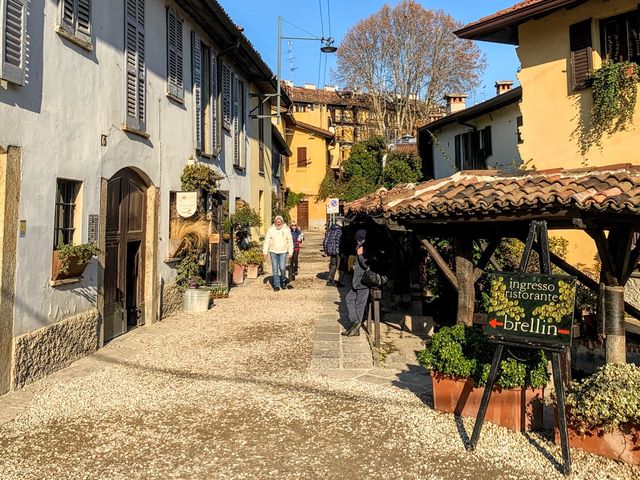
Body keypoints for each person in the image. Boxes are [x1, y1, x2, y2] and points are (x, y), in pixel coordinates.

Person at [342, 229, 369, 336]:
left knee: (359, 305)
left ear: (358, 239)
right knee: (349, 299)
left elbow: (367, 265)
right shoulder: (361, 247)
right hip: (357, 281)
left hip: (363, 281)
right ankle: (354, 323)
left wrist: (361, 256)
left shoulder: (363, 248)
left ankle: (355, 328)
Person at [263, 215, 293, 291]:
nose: (278, 223)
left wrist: (290, 251)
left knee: (282, 268)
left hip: (283, 251)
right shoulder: (271, 229)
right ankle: (276, 285)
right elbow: (267, 241)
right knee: (275, 268)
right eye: (277, 221)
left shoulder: (286, 229)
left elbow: (290, 241)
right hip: (273, 251)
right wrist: (265, 252)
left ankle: (283, 281)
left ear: (282, 222)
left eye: (280, 222)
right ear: (275, 222)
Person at [323, 220, 344, 287]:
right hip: (338, 251)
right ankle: (339, 281)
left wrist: (326, 250)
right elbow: (341, 242)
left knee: (333, 265)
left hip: (331, 251)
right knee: (340, 266)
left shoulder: (330, 231)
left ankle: (330, 280)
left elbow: (325, 241)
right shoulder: (340, 232)